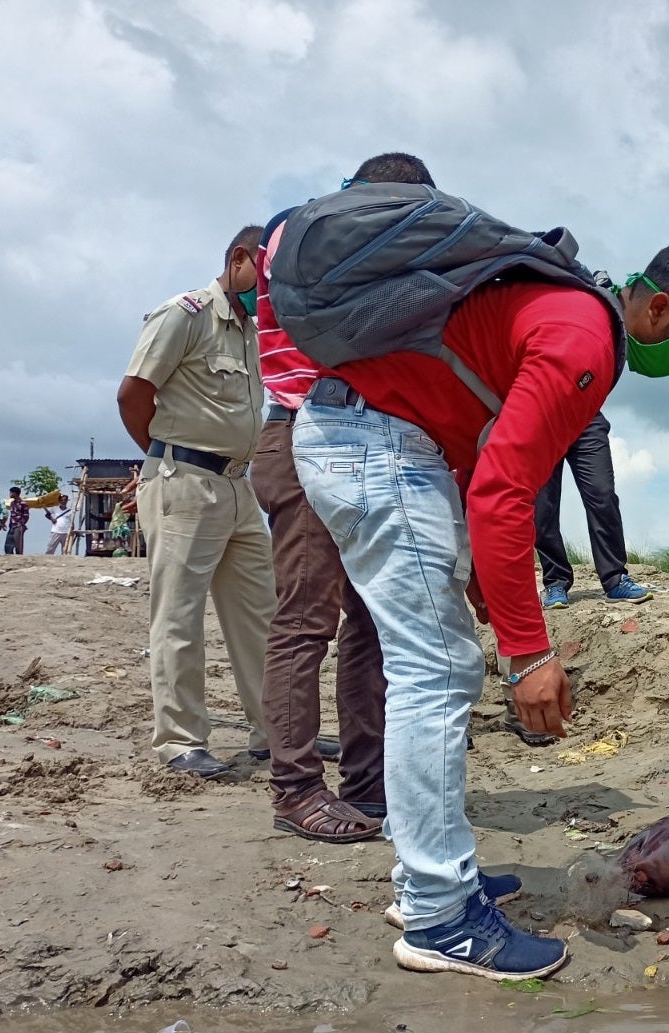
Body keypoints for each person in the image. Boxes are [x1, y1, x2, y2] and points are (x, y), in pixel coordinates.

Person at [293, 232, 669, 981]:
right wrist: (528, 652)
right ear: (658, 304)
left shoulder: (566, 315)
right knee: (437, 674)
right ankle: (442, 920)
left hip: (379, 437)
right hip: (375, 442)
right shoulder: (584, 340)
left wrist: (476, 570)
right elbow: (505, 491)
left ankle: (427, 888)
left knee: (433, 667)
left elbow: (481, 438)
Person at [253, 156, 432, 844]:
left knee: (367, 617)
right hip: (303, 431)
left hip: (366, 437)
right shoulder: (299, 231)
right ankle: (295, 789)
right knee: (306, 617)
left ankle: (367, 782)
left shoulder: (317, 232)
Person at [117, 225, 274, 779]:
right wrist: (164, 460)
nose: (272, 290)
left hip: (238, 487)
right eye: (268, 274)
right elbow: (133, 394)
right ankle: (181, 741)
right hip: (186, 480)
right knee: (179, 614)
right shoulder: (184, 314)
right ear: (239, 260)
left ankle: (272, 733)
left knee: (262, 615)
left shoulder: (255, 331)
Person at [534, 413, 654, 612]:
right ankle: (555, 581)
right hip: (539, 420)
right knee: (542, 508)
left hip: (585, 416)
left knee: (603, 495)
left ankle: (615, 579)